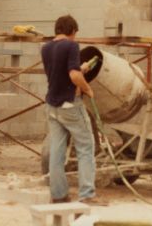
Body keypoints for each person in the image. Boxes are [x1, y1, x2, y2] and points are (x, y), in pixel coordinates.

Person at [41, 14, 100, 204]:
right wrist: (88, 89)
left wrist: (80, 69)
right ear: (72, 31)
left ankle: (58, 195)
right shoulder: (71, 46)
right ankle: (87, 194)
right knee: (85, 147)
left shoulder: (46, 48)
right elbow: (73, 76)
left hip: (52, 105)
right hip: (70, 104)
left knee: (57, 151)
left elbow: (59, 73)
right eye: (75, 34)